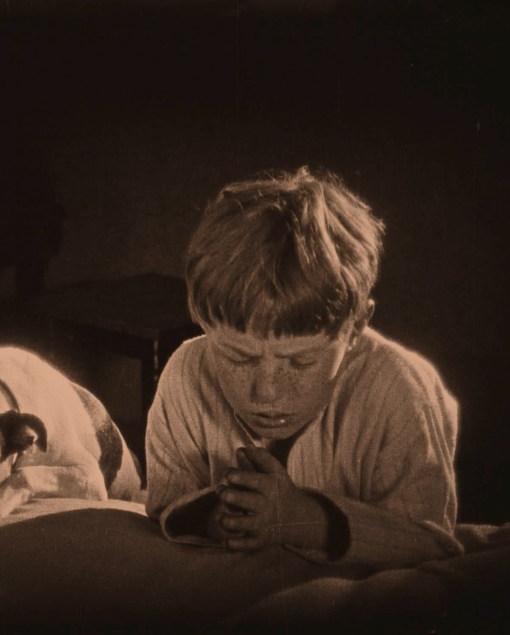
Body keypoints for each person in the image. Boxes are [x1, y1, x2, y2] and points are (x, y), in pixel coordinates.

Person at [145, 166, 463, 567]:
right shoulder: (185, 375)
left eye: (301, 361)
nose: (267, 392)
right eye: (238, 357)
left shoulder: (400, 389)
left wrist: (306, 521)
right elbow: (164, 504)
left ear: (356, 326)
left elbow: (433, 546)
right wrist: (216, 519)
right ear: (200, 318)